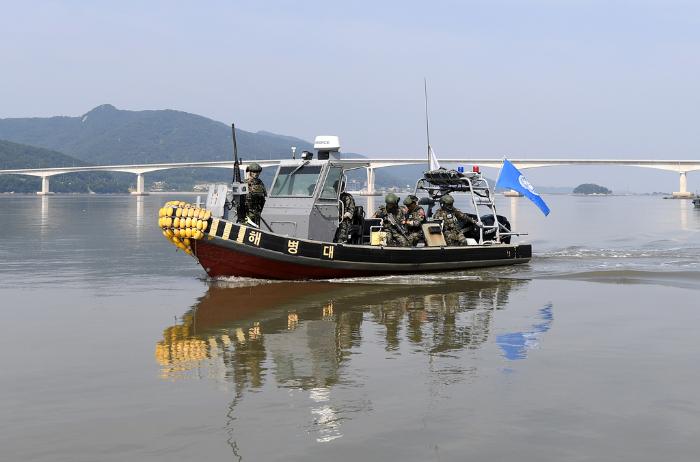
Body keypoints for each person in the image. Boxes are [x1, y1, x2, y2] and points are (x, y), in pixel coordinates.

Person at [245, 162, 267, 226]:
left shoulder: (260, 183)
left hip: (258, 212)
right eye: (254, 172)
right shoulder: (245, 183)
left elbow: (264, 196)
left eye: (257, 172)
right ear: (250, 172)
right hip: (248, 212)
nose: (256, 174)